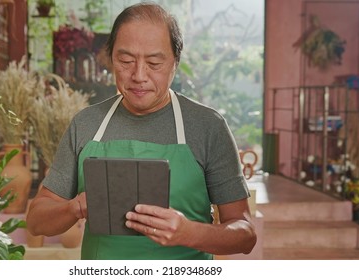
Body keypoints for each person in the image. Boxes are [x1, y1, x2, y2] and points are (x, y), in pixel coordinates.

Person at [26, 2, 257, 260]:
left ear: (175, 62)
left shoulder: (207, 126)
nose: (138, 75)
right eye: (125, 60)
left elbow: (245, 234)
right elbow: (36, 221)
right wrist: (76, 207)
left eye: (154, 63)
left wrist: (189, 233)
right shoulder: (87, 124)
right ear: (111, 58)